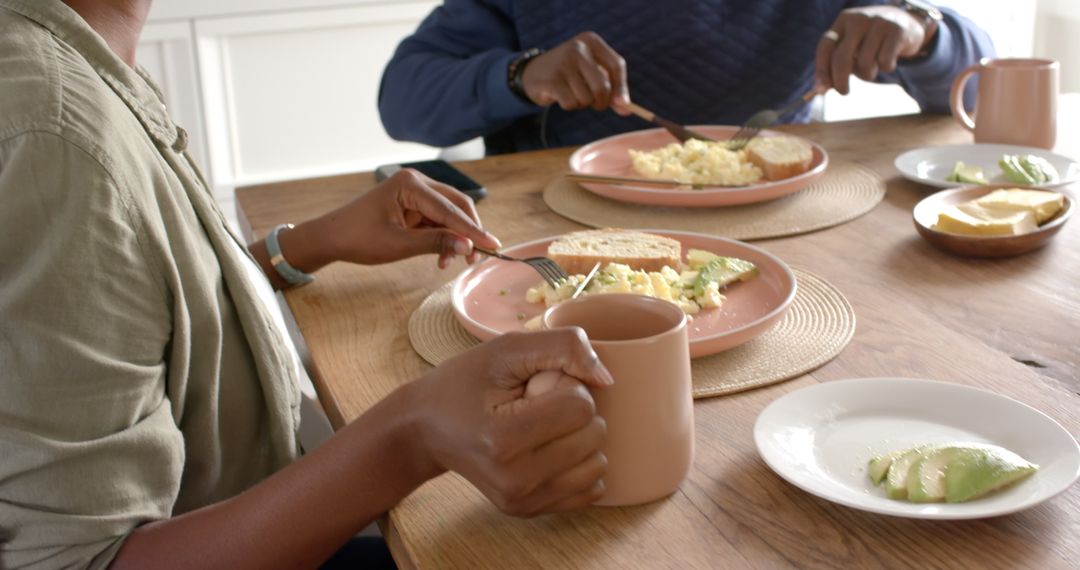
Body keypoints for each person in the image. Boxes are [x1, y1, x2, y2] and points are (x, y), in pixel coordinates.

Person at [0, 1, 613, 568]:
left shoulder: (75, 56)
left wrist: (311, 244)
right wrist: (411, 433)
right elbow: (77, 559)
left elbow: (137, 300)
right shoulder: (54, 133)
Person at [378, 0, 995, 155]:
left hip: (784, 221)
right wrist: (520, 75)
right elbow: (403, 100)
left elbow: (980, 86)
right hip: (566, 233)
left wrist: (921, 25)